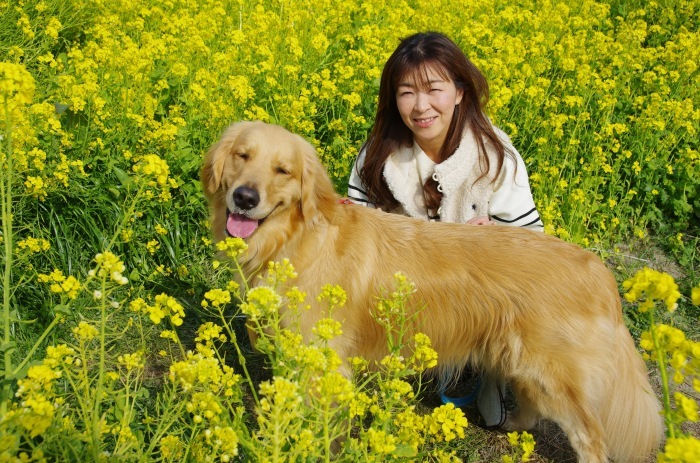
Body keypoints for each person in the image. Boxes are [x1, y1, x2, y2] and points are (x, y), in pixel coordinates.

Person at [346, 31, 544, 428]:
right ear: (393, 98)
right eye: (406, 92)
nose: (421, 107)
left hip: (477, 303)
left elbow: (533, 246)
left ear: (459, 91)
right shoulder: (378, 155)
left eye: (433, 89)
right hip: (406, 296)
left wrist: (499, 239)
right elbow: (353, 238)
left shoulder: (495, 155)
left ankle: (493, 371)